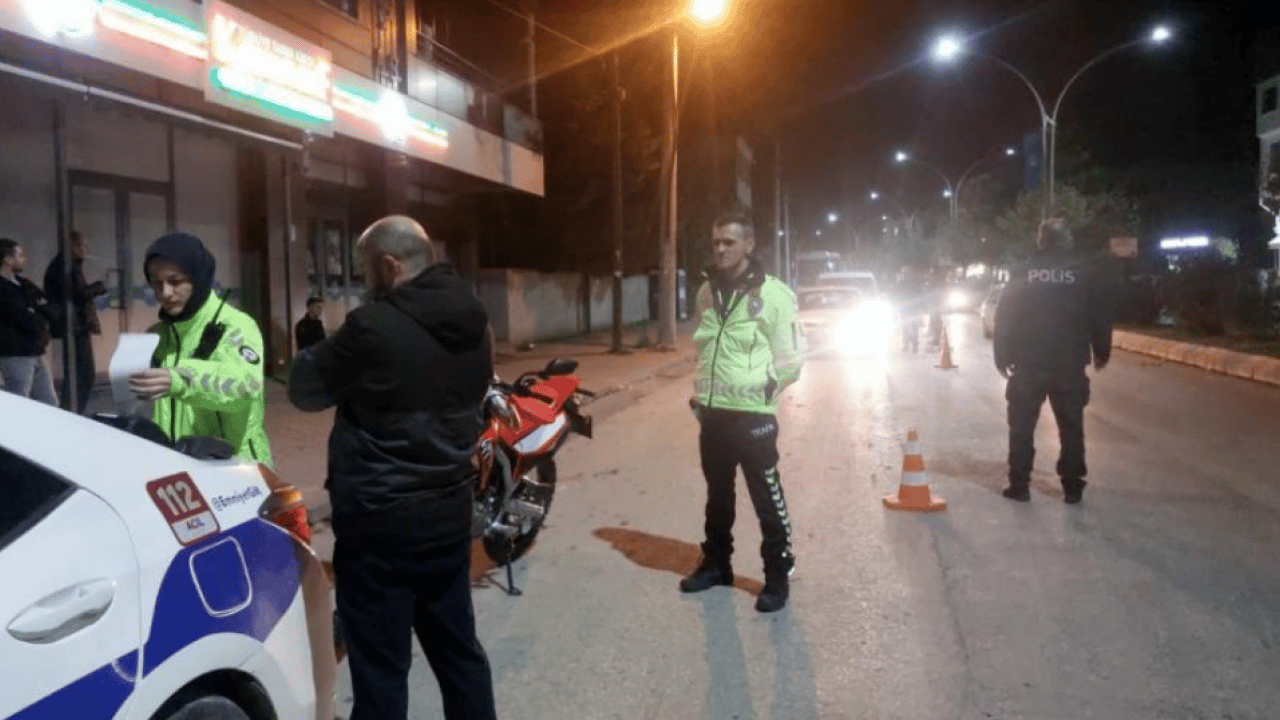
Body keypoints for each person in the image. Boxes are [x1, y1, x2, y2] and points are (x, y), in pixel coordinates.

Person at [287, 215, 497, 720]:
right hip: (448, 514)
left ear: (390, 265)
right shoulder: (477, 322)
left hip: (381, 527)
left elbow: (303, 387)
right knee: (458, 652)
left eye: (365, 271)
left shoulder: (372, 326)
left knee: (381, 671)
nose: (363, 282)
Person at [681, 209, 807, 613]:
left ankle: (776, 572)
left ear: (749, 245)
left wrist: (761, 392)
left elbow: (790, 361)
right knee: (718, 497)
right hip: (713, 415)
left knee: (766, 496)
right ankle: (717, 564)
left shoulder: (774, 295)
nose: (720, 249)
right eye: (716, 242)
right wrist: (703, 397)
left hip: (752, 416)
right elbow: (705, 346)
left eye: (729, 242)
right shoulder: (705, 292)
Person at [127, 232, 273, 465]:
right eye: (156, 282)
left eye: (175, 281)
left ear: (198, 278)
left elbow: (246, 385)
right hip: (181, 466)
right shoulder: (157, 335)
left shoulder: (236, 327)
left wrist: (179, 379)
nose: (165, 293)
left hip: (236, 467)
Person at [994, 218, 1111, 504]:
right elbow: (1099, 315)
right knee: (1071, 427)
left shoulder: (1023, 272)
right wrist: (1102, 351)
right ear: (1067, 241)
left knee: (1021, 427)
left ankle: (1019, 485)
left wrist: (1002, 355)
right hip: (1068, 365)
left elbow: (1005, 316)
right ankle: (1072, 487)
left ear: (1040, 241)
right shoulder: (1084, 273)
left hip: (1028, 364)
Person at [44, 230, 108, 413]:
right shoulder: (64, 267)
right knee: (81, 375)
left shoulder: (68, 266)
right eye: (83, 246)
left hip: (76, 326)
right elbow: (76, 295)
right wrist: (97, 288)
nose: (86, 250)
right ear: (73, 247)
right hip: (73, 326)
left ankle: (75, 412)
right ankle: (73, 413)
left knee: (82, 375)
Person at [0, 238, 58, 405]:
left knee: (49, 402)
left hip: (35, 349)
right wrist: (35, 313)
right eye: (19, 255)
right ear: (8, 259)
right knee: (19, 401)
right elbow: (19, 315)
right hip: (15, 352)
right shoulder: (3, 288)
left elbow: (44, 303)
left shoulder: (22, 284)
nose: (23, 258)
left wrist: (35, 310)